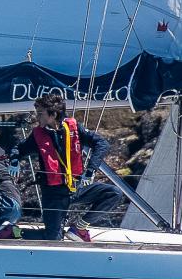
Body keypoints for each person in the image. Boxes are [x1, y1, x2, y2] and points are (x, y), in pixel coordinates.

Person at [8, 94, 110, 241]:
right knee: (53, 238)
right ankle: (13, 232)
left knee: (112, 193)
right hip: (53, 194)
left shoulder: (75, 128)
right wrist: (14, 161)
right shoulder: (38, 135)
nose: (37, 117)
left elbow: (102, 144)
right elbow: (18, 149)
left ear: (53, 115)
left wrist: (90, 170)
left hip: (75, 188)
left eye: (40, 113)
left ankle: (79, 228)